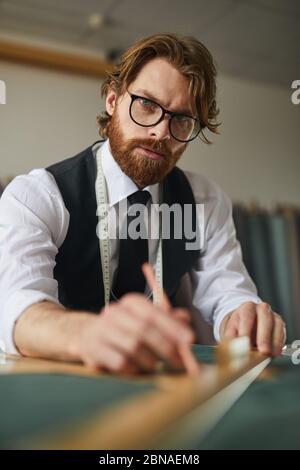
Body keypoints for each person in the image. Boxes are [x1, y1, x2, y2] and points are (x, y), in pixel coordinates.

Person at [0, 33, 285, 375]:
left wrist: (245, 317)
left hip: (153, 384)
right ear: (112, 100)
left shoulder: (204, 202)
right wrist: (89, 333)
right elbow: (16, 308)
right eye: (147, 105)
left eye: (181, 119)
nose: (161, 132)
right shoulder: (37, 196)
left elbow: (228, 291)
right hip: (58, 383)